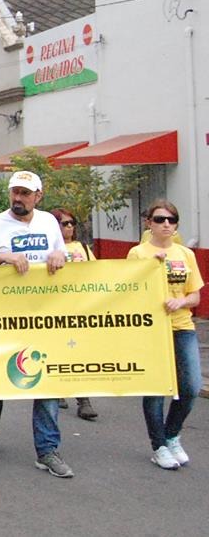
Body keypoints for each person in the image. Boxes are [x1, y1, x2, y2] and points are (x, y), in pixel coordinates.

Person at [0, 170, 72, 478]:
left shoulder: (49, 223)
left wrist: (57, 257)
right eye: (15, 192)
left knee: (47, 380)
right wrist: (1, 258)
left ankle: (47, 450)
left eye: (25, 193)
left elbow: (62, 258)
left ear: (38, 196)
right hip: (1, 317)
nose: (18, 198)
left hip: (42, 316)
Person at [127, 200, 203, 470]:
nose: (166, 224)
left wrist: (180, 302)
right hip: (151, 328)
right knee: (157, 388)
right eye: (160, 220)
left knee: (191, 386)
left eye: (171, 220)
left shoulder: (185, 254)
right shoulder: (138, 253)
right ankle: (158, 445)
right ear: (149, 223)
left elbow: (195, 294)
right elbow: (127, 292)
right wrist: (150, 266)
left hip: (182, 326)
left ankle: (172, 435)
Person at [48, 208, 99, 421]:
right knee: (58, 351)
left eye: (71, 223)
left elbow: (97, 273)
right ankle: (58, 390)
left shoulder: (83, 248)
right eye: (64, 223)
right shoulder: (50, 249)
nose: (69, 227)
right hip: (55, 308)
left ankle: (83, 400)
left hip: (79, 308)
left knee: (79, 354)